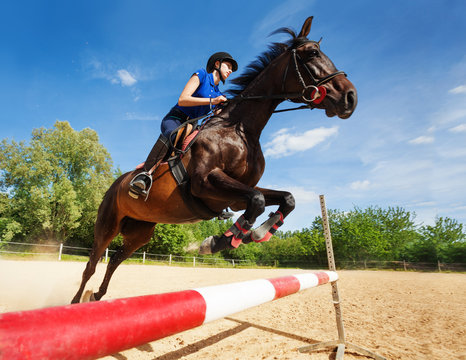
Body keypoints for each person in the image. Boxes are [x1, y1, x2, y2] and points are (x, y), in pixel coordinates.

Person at [129, 52, 238, 198]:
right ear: (217, 64)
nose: (230, 70)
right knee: (174, 133)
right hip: (175, 118)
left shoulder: (218, 92)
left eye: (231, 68)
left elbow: (216, 113)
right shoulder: (201, 75)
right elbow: (183, 99)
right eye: (228, 66)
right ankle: (144, 175)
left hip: (192, 125)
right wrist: (213, 101)